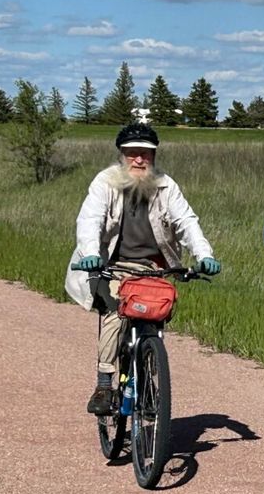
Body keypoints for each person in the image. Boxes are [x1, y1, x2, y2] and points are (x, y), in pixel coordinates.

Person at [66, 123, 221, 415]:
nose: (139, 159)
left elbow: (186, 221)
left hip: (152, 268)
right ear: (121, 155)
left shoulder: (165, 185)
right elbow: (90, 219)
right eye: (132, 153)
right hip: (112, 265)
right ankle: (104, 384)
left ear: (154, 156)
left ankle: (148, 377)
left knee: (155, 314)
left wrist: (204, 254)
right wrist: (90, 253)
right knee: (116, 312)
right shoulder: (106, 182)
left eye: (145, 153)